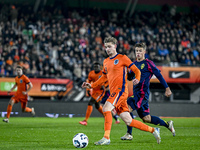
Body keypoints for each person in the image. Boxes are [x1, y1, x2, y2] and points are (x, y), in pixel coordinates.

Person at [82, 37, 161, 145]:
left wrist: (137, 78)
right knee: (129, 121)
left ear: (115, 46)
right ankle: (153, 130)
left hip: (121, 91)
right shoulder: (105, 62)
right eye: (106, 47)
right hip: (116, 93)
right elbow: (103, 78)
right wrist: (91, 85)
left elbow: (136, 70)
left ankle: (106, 138)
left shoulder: (122, 58)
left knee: (106, 108)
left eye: (109, 46)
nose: (107, 49)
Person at [121, 43, 175, 140]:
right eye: (137, 51)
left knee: (126, 109)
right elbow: (129, 77)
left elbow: (159, 75)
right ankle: (168, 124)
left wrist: (167, 88)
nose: (138, 53)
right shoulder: (133, 64)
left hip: (142, 95)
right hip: (137, 94)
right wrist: (127, 72)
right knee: (147, 119)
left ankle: (129, 134)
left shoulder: (148, 63)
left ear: (144, 52)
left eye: (140, 51)